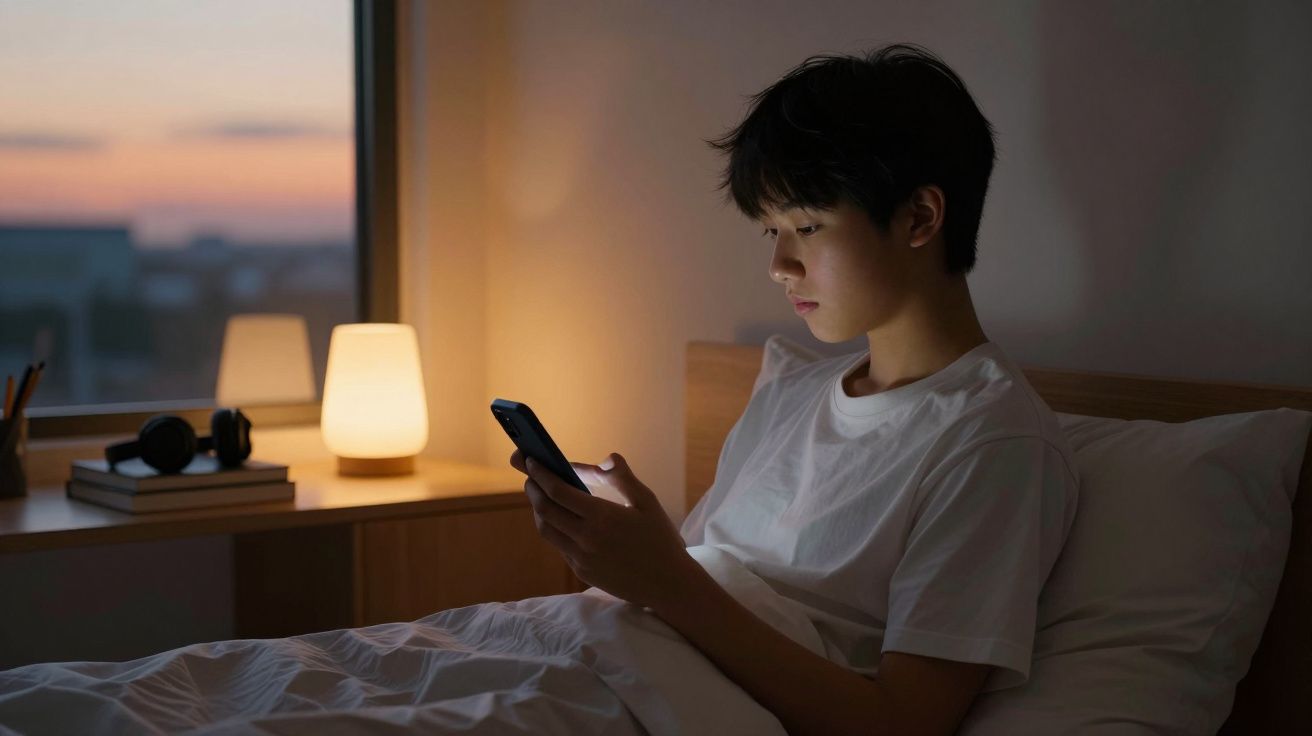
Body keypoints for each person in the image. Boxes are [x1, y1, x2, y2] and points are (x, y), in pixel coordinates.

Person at [510, 43, 1079, 736]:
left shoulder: (993, 439)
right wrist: (639, 551)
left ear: (921, 219)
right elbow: (710, 587)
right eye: (771, 231)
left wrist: (666, 580)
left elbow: (902, 723)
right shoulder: (791, 387)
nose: (779, 264)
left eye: (806, 227)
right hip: (595, 656)